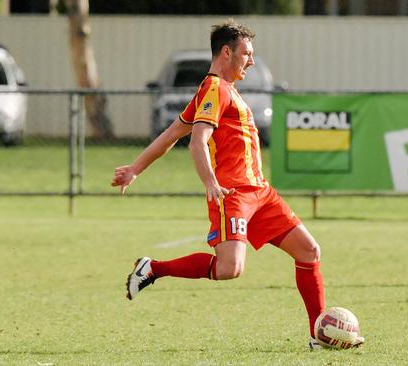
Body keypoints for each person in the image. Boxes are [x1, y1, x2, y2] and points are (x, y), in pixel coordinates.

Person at [111, 19, 363, 350]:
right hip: (232, 193)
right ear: (226, 52)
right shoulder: (214, 88)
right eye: (247, 53)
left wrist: (135, 168)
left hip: (261, 192)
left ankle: (319, 337)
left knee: (309, 251)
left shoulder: (225, 90)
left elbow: (172, 132)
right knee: (230, 268)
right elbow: (195, 141)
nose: (252, 61)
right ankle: (153, 269)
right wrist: (210, 182)